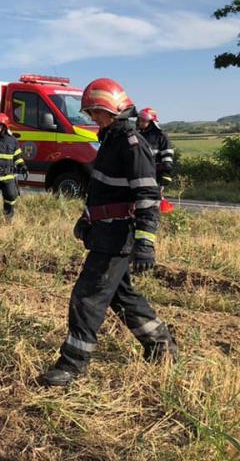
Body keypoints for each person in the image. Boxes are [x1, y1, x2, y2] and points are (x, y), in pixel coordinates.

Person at [40, 78, 177, 387]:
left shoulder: (130, 144)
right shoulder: (111, 142)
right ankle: (161, 345)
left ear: (111, 109)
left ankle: (72, 364)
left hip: (118, 238)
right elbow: (105, 193)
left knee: (87, 297)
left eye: (95, 112)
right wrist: (87, 218)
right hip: (106, 234)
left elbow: (147, 196)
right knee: (121, 296)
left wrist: (145, 242)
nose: (91, 118)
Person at [137, 108, 174, 190]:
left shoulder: (161, 136)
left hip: (155, 175)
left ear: (151, 121)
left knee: (155, 200)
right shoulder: (137, 136)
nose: (140, 123)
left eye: (143, 120)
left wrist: (166, 174)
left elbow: (167, 155)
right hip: (139, 174)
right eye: (139, 120)